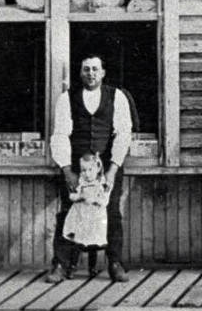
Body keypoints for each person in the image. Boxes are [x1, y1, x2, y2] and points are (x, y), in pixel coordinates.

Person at [46, 54, 138, 284]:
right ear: (80, 73)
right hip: (76, 167)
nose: (91, 73)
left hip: (107, 166)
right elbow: (60, 135)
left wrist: (112, 170)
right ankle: (60, 264)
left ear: (103, 72)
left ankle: (115, 263)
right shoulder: (67, 99)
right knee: (69, 211)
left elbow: (123, 134)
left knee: (111, 212)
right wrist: (67, 170)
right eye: (86, 69)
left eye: (95, 69)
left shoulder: (116, 97)